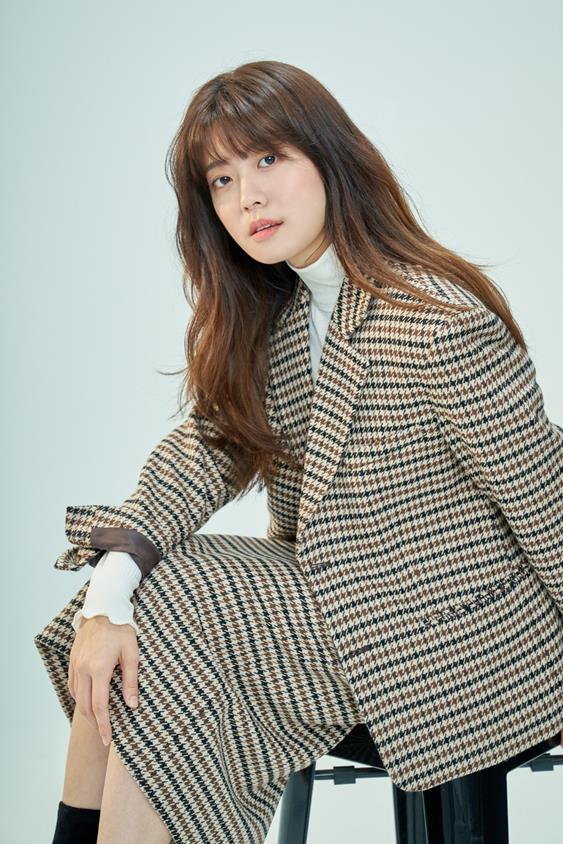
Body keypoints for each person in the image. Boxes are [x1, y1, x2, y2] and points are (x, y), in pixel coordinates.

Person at [35, 59, 563, 844]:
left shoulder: (439, 323)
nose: (246, 196)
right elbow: (202, 451)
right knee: (150, 603)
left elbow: (545, 504)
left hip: (464, 640)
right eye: (220, 179)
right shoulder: (277, 319)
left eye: (267, 158)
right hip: (336, 612)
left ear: (329, 156)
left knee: (182, 602)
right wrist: (109, 594)